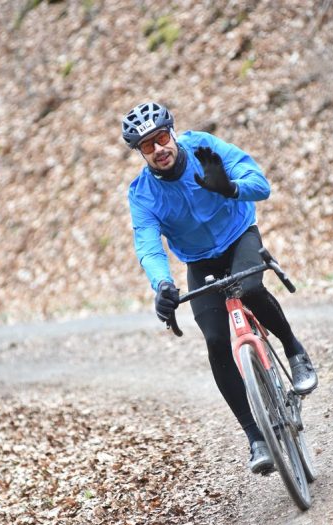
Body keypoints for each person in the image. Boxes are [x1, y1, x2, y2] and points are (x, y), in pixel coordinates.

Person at [122, 101, 318, 475]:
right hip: (199, 261)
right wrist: (162, 284)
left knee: (251, 288)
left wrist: (230, 188)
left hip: (239, 236)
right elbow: (148, 245)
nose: (159, 149)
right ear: (141, 153)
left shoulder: (204, 147)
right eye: (148, 145)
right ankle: (255, 438)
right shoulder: (143, 194)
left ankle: (294, 351)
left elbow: (261, 186)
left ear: (172, 133)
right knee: (214, 339)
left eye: (161, 138)